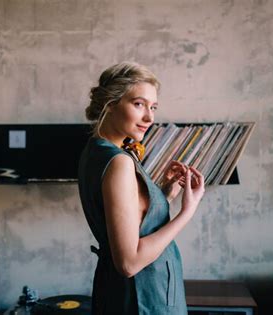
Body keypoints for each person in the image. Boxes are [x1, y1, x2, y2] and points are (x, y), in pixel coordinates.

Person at [78, 61, 205, 314]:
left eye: (153, 107)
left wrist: (165, 194)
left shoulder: (97, 151)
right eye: (139, 104)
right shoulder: (119, 163)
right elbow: (129, 262)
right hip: (142, 299)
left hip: (125, 295)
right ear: (110, 104)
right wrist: (187, 212)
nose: (150, 117)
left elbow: (130, 222)